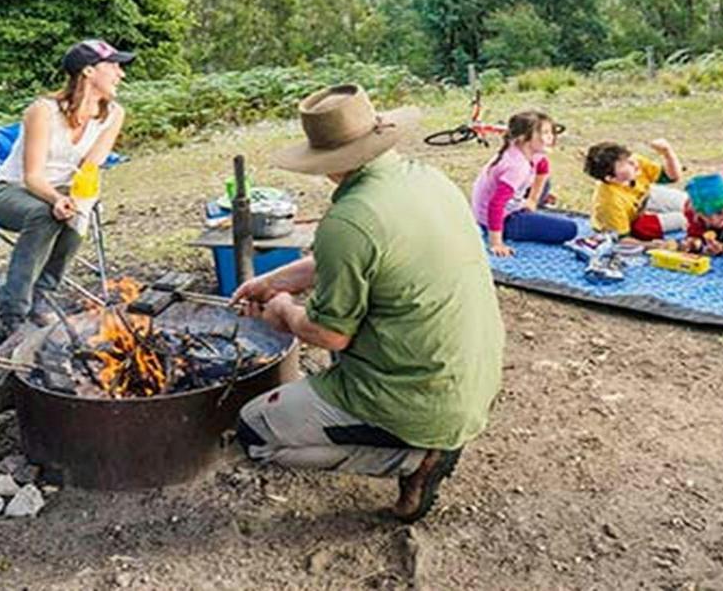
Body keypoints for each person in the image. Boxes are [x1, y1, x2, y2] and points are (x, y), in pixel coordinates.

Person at [231, 85, 504, 523]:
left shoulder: (348, 220)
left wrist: (281, 312)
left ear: (325, 161)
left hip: (417, 394)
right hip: (470, 377)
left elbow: (330, 335)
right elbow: (366, 256)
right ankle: (418, 437)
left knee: (254, 432)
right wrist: (272, 280)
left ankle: (413, 458)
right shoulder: (424, 179)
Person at [0, 39, 130, 336]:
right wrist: (55, 199)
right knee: (45, 214)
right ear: (88, 71)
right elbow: (32, 176)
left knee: (78, 215)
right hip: (9, 192)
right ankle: (11, 312)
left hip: (62, 191)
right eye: (113, 66)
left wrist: (78, 201)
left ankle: (41, 296)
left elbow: (90, 167)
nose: (121, 74)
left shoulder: (114, 114)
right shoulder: (44, 111)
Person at [471, 110, 579, 257]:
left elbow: (543, 167)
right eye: (545, 132)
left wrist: (532, 200)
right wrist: (496, 243)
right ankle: (517, 218)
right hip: (501, 218)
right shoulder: (516, 167)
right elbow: (496, 204)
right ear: (523, 138)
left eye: (551, 132)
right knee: (569, 229)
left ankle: (529, 204)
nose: (551, 137)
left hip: (510, 201)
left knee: (544, 183)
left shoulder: (526, 149)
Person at [584, 139, 687, 239]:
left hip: (647, 197)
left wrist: (667, 152)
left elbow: (672, 176)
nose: (634, 163)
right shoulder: (609, 202)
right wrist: (653, 246)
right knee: (689, 217)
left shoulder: (634, 162)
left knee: (694, 203)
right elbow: (622, 240)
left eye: (629, 158)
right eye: (624, 164)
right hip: (634, 222)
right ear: (611, 178)